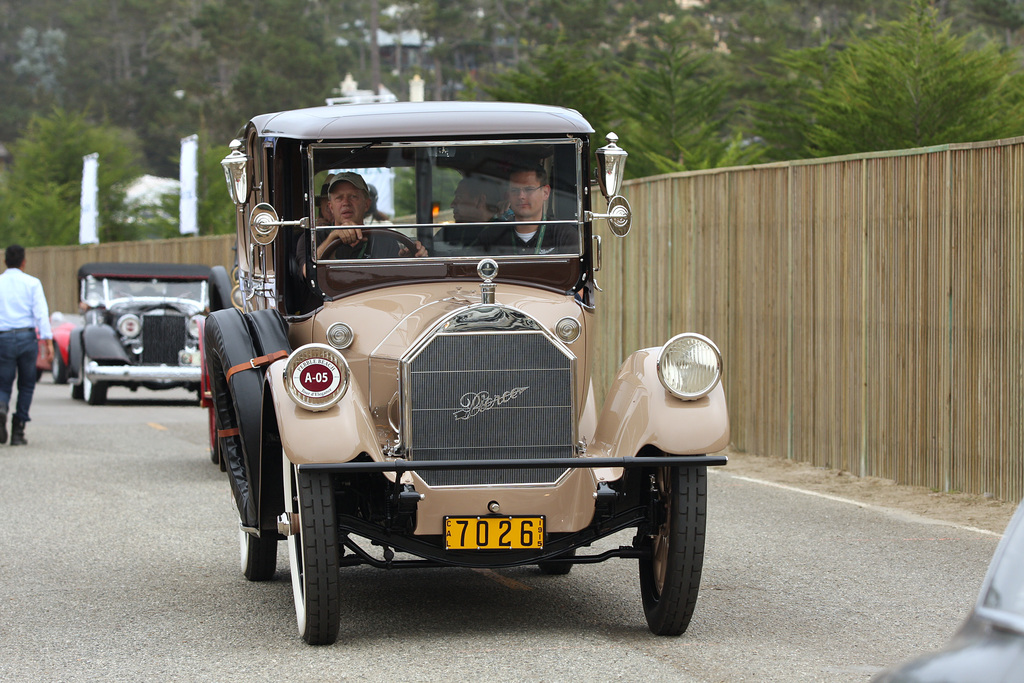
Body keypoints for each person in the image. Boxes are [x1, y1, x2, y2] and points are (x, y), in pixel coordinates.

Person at [0, 244, 53, 446]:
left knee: (3, 382)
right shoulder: (32, 283)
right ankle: (18, 430)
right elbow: (41, 313)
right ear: (24, 262)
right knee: (27, 384)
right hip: (26, 337)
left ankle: (2, 407)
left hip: (3, 337)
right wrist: (48, 342)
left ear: (5, 261)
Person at [316, 172, 427, 259]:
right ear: (330, 207)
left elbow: (398, 280)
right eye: (339, 198)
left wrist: (411, 258)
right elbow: (308, 272)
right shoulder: (315, 238)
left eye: (353, 196)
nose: (346, 203)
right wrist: (332, 238)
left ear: (367, 204)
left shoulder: (385, 239)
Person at [473, 165, 577, 255]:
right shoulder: (490, 237)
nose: (521, 196)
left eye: (529, 189)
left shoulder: (564, 236)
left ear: (545, 192)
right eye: (514, 190)